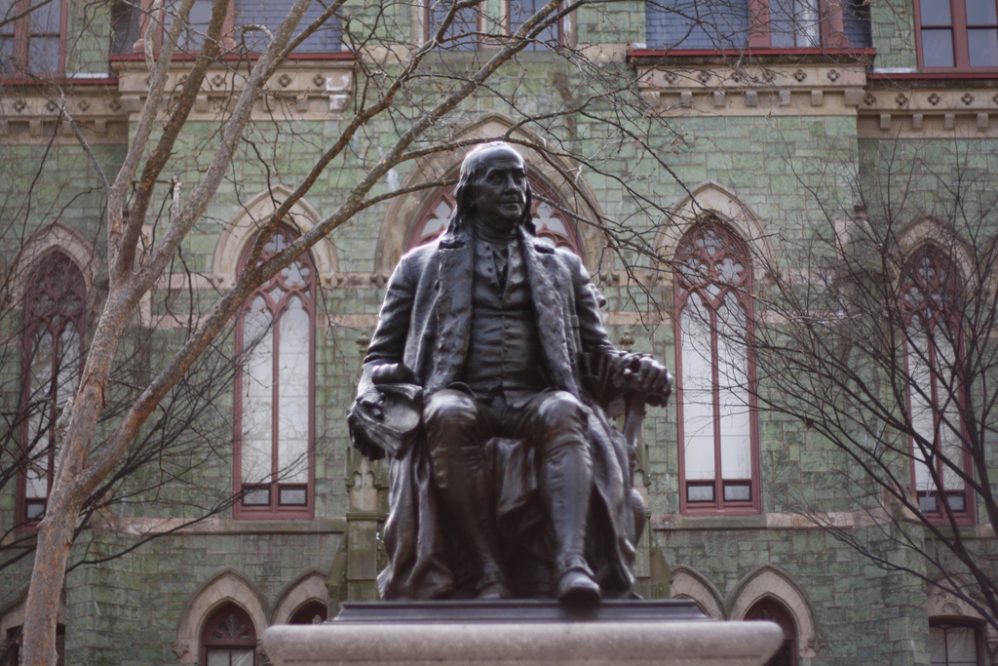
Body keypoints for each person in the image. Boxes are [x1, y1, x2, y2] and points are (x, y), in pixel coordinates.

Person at [349, 143, 670, 602]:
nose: (513, 188)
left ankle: (571, 563)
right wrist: (377, 390)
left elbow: (598, 358)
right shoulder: (420, 266)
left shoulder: (562, 266)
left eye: (519, 179)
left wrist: (638, 369)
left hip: (534, 397)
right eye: (497, 179)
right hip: (460, 393)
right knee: (446, 413)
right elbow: (377, 357)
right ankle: (487, 569)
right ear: (469, 194)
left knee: (565, 410)